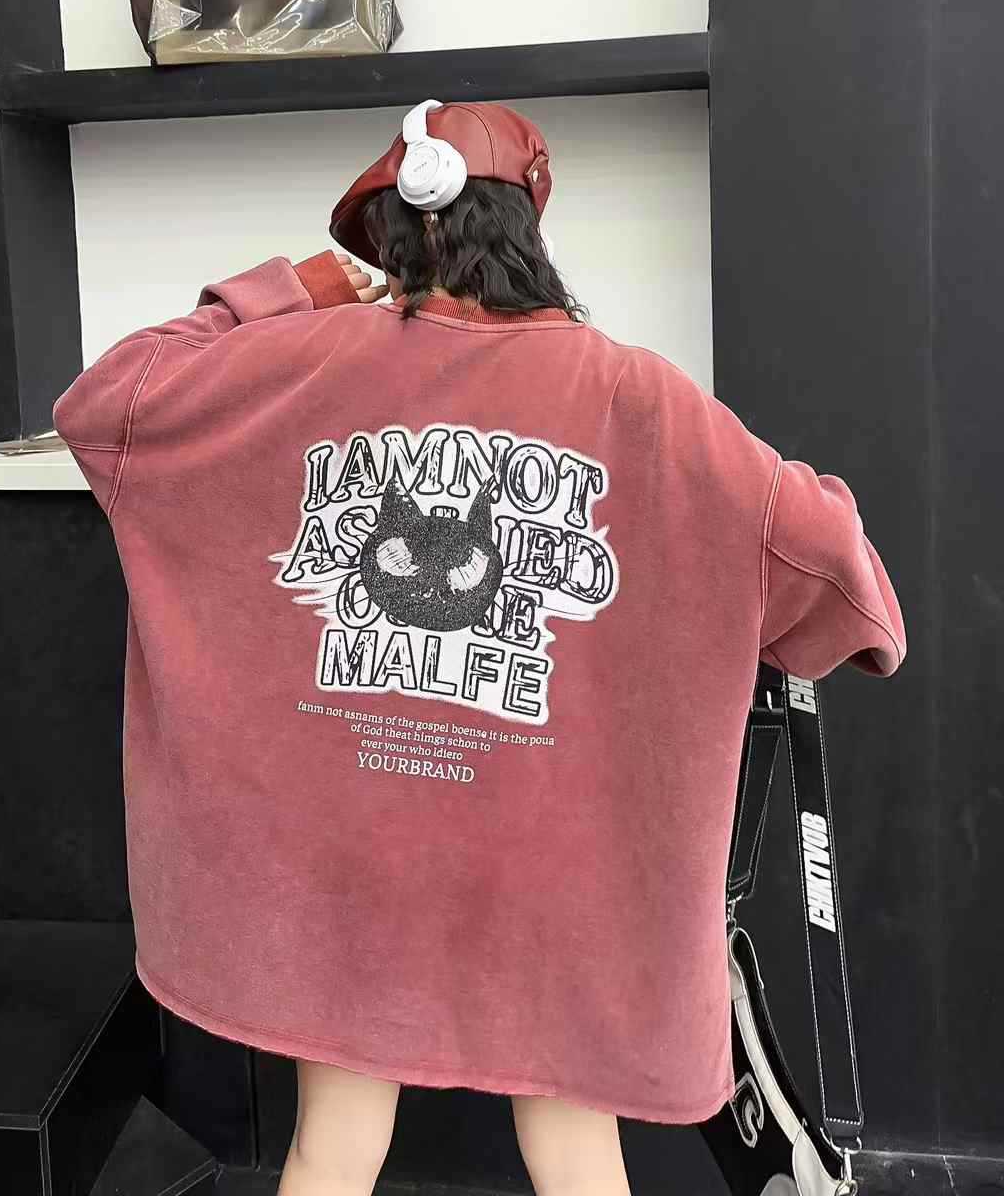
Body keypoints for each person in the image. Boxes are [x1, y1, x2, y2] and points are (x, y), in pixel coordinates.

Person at [53, 100, 905, 1196]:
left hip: (357, 858)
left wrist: (302, 286)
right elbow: (834, 571)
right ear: (526, 228)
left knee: (332, 1147)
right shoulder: (637, 396)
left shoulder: (299, 367)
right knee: (576, 1154)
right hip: (552, 868)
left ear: (396, 236)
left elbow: (107, 403)